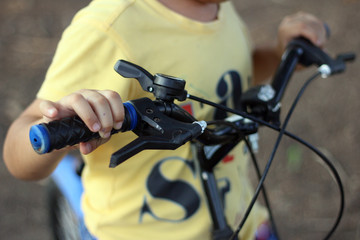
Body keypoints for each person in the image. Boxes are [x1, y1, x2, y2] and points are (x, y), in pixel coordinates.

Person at [3, 0, 327, 239]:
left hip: (240, 221)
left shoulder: (220, 10)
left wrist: (280, 54)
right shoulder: (108, 29)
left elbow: (230, 78)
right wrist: (59, 123)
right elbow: (19, 150)